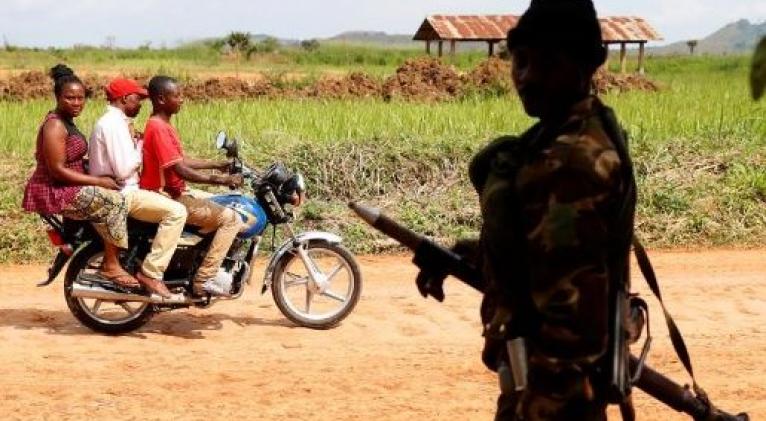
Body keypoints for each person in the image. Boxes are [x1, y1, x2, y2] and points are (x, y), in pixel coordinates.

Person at [416, 1, 637, 419]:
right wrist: (469, 254)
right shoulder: (554, 141)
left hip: (553, 399)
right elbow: (540, 257)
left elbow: (572, 323)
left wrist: (533, 410)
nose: (528, 77)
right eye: (520, 60)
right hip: (535, 387)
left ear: (587, 65)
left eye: (548, 63)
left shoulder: (574, 163)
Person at [22, 65, 139, 289]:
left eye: (80, 98)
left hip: (68, 184)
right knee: (114, 201)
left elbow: (72, 160)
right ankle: (111, 264)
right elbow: (57, 170)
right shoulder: (55, 125)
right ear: (57, 97)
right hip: (54, 189)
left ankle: (78, 239)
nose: (76, 103)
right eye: (70, 98)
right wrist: (99, 181)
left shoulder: (67, 121)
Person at [139, 75, 244, 297]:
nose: (182, 99)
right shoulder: (158, 127)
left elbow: (181, 160)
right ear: (160, 99)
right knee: (231, 219)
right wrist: (221, 180)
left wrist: (218, 164)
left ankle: (199, 257)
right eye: (176, 95)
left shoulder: (163, 124)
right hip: (168, 195)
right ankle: (204, 279)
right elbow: (180, 170)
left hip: (177, 191)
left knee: (220, 203)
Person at [88, 77, 187, 298]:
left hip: (126, 189)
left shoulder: (117, 122)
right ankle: (152, 273)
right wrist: (141, 145)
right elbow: (123, 170)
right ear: (125, 98)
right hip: (124, 192)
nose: (142, 103)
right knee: (177, 212)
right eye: (138, 98)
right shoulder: (112, 124)